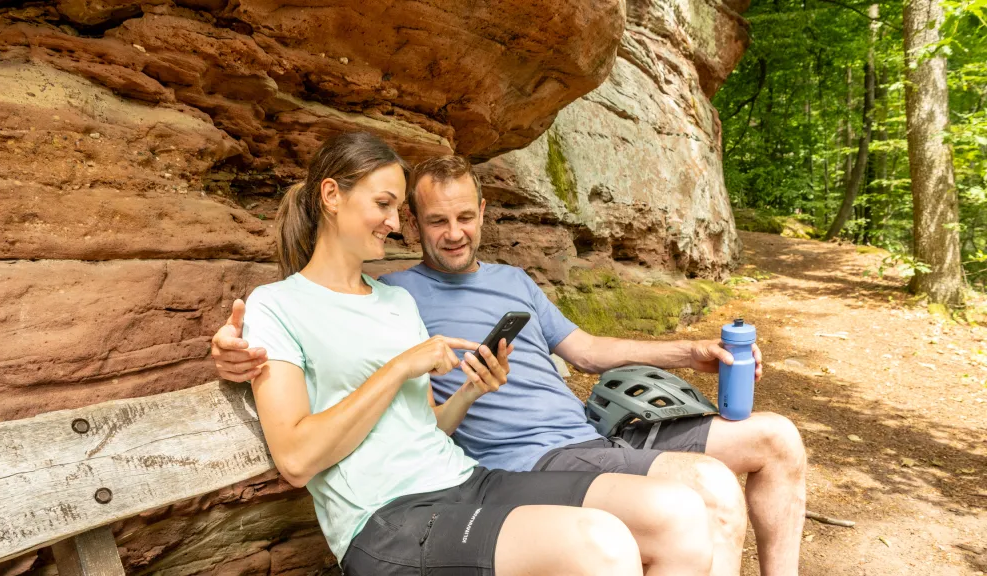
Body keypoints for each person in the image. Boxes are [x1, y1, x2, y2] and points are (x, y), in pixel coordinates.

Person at [238, 131, 718, 576]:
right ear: (331, 196)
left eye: (395, 207)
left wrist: (471, 390)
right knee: (602, 542)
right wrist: (401, 366)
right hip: (386, 518)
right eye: (383, 204)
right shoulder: (277, 305)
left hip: (465, 480)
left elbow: (427, 426)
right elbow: (297, 459)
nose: (391, 222)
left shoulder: (395, 301)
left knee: (675, 512)